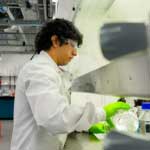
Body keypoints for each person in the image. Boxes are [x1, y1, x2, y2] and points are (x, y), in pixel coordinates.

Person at [11, 18, 130, 150]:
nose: (75, 53)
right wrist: (101, 113)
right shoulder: (39, 70)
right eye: (72, 45)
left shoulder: (51, 70)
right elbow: (55, 117)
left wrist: (86, 126)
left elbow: (59, 112)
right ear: (55, 41)